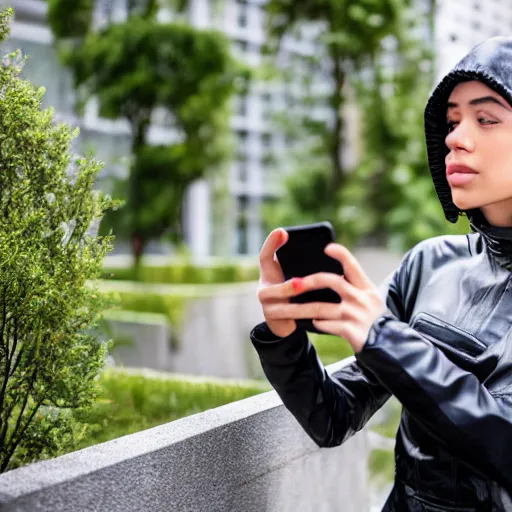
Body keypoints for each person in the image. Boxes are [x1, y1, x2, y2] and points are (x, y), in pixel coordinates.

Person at [250, 36, 512, 511]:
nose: (455, 137)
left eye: (485, 118)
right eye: (452, 121)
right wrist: (284, 337)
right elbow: (333, 415)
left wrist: (384, 337)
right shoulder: (429, 264)